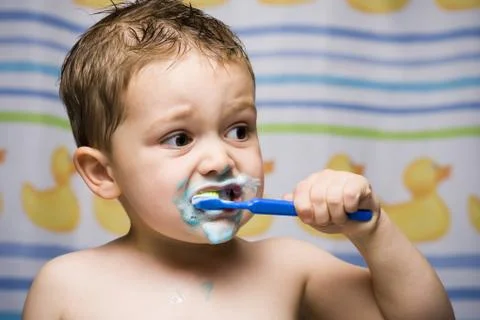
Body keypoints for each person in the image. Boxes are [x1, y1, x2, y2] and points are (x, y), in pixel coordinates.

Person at [22, 1, 454, 319]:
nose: (220, 159)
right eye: (179, 138)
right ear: (103, 172)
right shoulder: (67, 285)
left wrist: (372, 230)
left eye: (239, 130)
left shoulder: (290, 268)